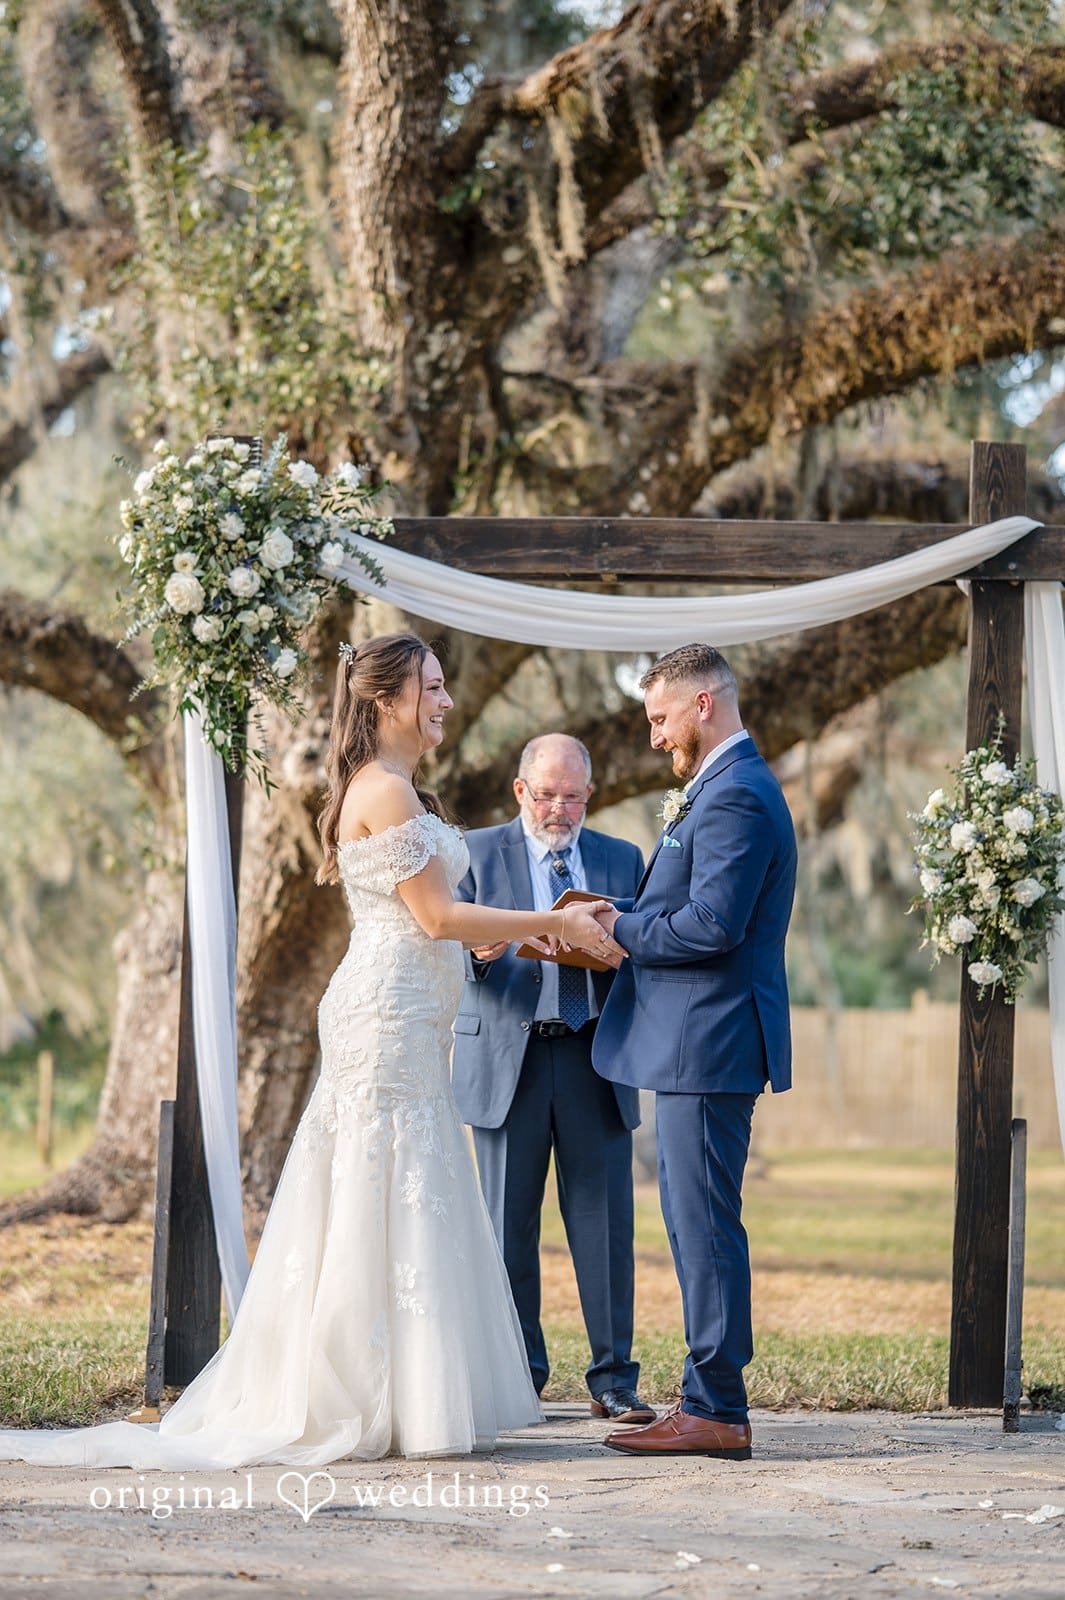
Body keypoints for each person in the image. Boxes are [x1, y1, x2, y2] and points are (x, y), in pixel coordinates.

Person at [0, 633, 619, 1469]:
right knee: (378, 1182)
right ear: (385, 701)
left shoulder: (401, 788)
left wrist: (490, 943)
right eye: (430, 687)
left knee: (411, 1184)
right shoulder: (385, 793)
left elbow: (431, 923)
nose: (444, 700)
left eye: (443, 687)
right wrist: (551, 922)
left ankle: (412, 1392)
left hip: (409, 1016)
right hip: (384, 1018)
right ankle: (344, 1391)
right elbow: (436, 917)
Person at [590, 643, 797, 1461]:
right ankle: (702, 1396)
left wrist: (618, 931)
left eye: (659, 717)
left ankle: (714, 1407)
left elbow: (713, 926)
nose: (653, 737)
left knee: (702, 1226)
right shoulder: (714, 789)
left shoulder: (736, 795)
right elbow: (685, 903)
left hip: (708, 1044)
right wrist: (622, 909)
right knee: (690, 1223)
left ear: (703, 704)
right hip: (692, 1044)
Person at [452, 734, 654, 1424]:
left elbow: (646, 953)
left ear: (589, 796)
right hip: (509, 1060)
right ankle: (518, 1375)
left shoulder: (622, 858)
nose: (558, 808)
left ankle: (613, 1380)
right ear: (520, 792)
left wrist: (624, 953)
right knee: (507, 1228)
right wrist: (475, 959)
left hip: (596, 1059)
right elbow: (435, 948)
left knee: (604, 1228)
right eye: (546, 795)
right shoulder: (475, 854)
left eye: (571, 796)